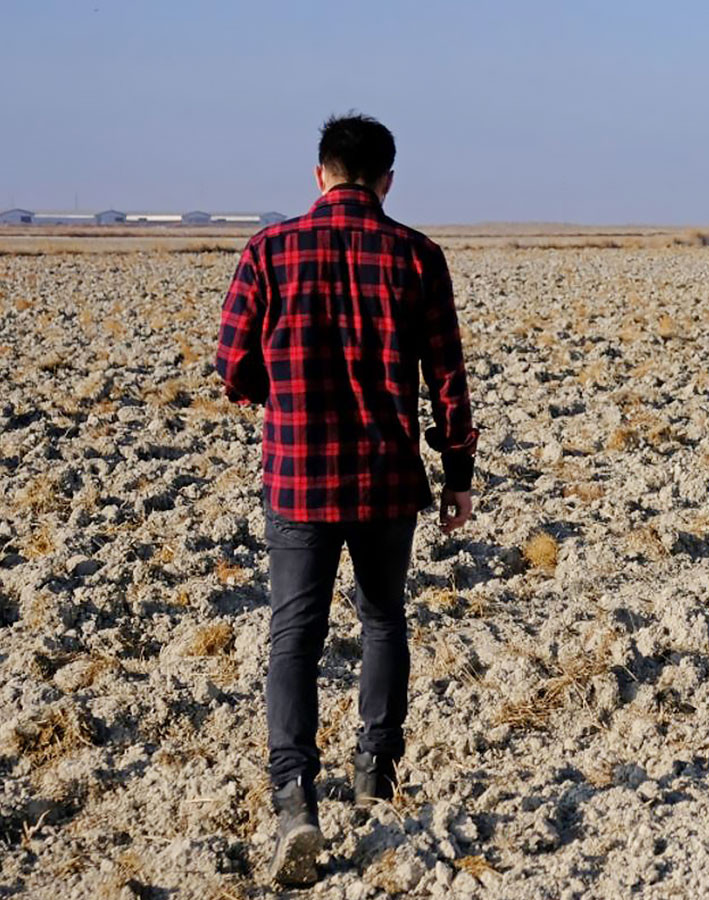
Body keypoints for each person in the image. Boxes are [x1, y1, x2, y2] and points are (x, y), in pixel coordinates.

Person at [214, 112, 479, 886]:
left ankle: (295, 796)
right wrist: (457, 472)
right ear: (388, 180)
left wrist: (283, 393)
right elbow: (449, 378)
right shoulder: (417, 256)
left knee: (292, 635)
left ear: (319, 173)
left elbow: (231, 366)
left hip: (298, 475)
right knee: (383, 618)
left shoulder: (268, 249)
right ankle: (376, 777)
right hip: (388, 477)